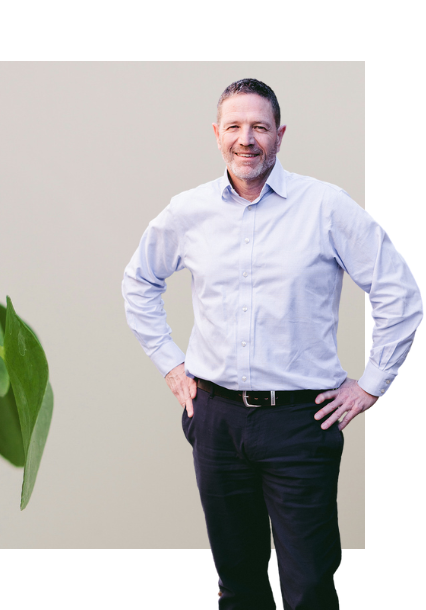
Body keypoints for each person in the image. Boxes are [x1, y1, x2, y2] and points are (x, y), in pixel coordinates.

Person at [121, 78, 422, 610]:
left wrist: (371, 385)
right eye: (234, 126)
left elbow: (399, 293)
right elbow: (139, 281)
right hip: (216, 419)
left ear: (279, 135)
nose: (246, 139)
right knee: (237, 584)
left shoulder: (325, 206)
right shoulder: (190, 211)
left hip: (301, 425)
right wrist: (172, 365)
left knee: (307, 585)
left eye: (259, 127)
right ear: (216, 134)